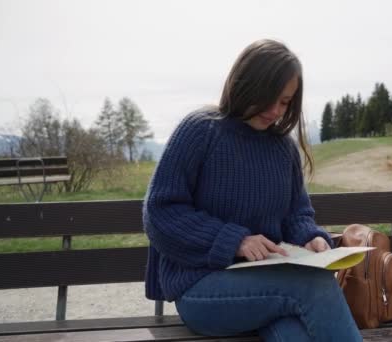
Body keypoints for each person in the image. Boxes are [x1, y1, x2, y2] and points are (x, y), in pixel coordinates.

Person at [142, 39, 362, 342]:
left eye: (285, 102)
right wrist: (235, 240)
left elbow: (297, 215)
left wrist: (310, 239)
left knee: (297, 334)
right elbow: (160, 213)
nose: (275, 110)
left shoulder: (283, 148)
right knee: (314, 285)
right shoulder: (200, 131)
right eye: (269, 97)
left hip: (268, 290)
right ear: (246, 83)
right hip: (201, 289)